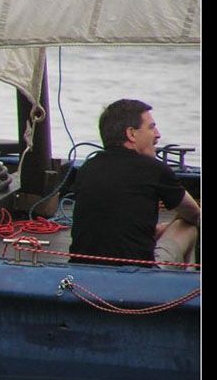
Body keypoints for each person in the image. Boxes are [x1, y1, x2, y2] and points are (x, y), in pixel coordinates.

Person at [70, 98, 199, 268]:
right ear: (131, 134)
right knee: (188, 226)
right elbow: (194, 214)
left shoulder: (87, 168)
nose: (158, 134)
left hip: (81, 271)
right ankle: (182, 287)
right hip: (138, 277)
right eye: (151, 127)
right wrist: (169, 225)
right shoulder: (155, 169)